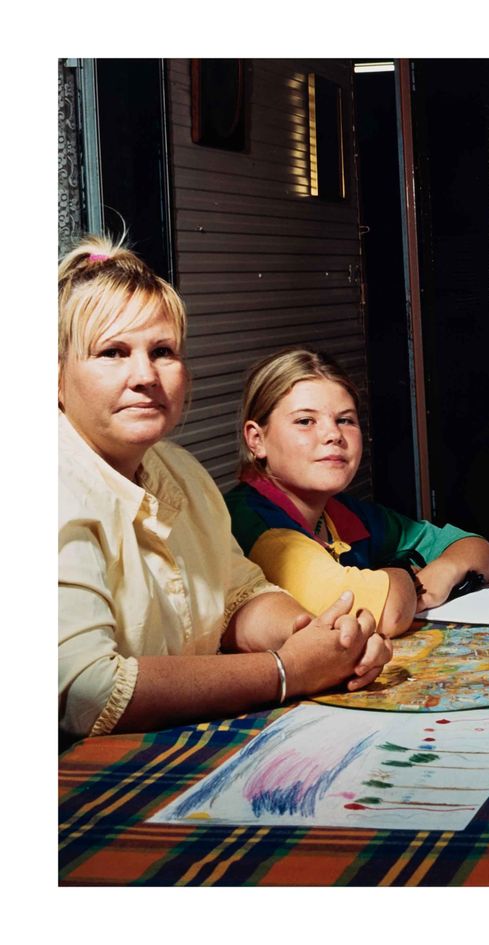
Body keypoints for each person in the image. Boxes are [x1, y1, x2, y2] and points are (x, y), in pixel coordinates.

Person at [59, 237, 393, 739]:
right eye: (113, 352)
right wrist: (285, 672)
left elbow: (240, 595)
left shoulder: (179, 470)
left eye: (163, 351)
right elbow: (89, 692)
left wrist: (321, 640)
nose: (146, 375)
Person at [225, 348, 489, 636]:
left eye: (345, 420)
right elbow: (386, 612)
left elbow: (476, 547)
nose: (333, 435)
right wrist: (405, 576)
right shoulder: (251, 523)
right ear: (257, 440)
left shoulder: (342, 512)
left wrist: (446, 569)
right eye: (305, 421)